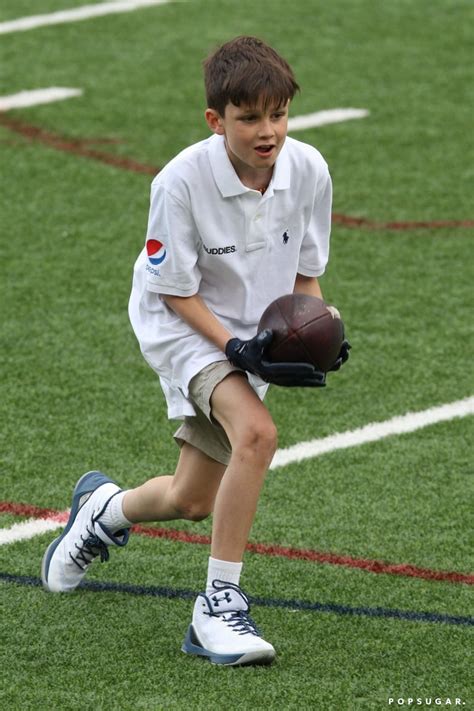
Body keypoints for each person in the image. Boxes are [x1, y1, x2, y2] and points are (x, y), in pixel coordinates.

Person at [41, 35, 349, 666]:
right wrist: (237, 347)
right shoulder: (179, 182)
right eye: (250, 118)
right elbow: (175, 293)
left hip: (253, 328)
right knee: (257, 434)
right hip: (182, 323)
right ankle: (217, 608)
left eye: (278, 114)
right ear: (216, 120)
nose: (268, 131)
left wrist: (320, 330)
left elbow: (306, 276)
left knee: (191, 499)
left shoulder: (309, 170)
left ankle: (102, 512)